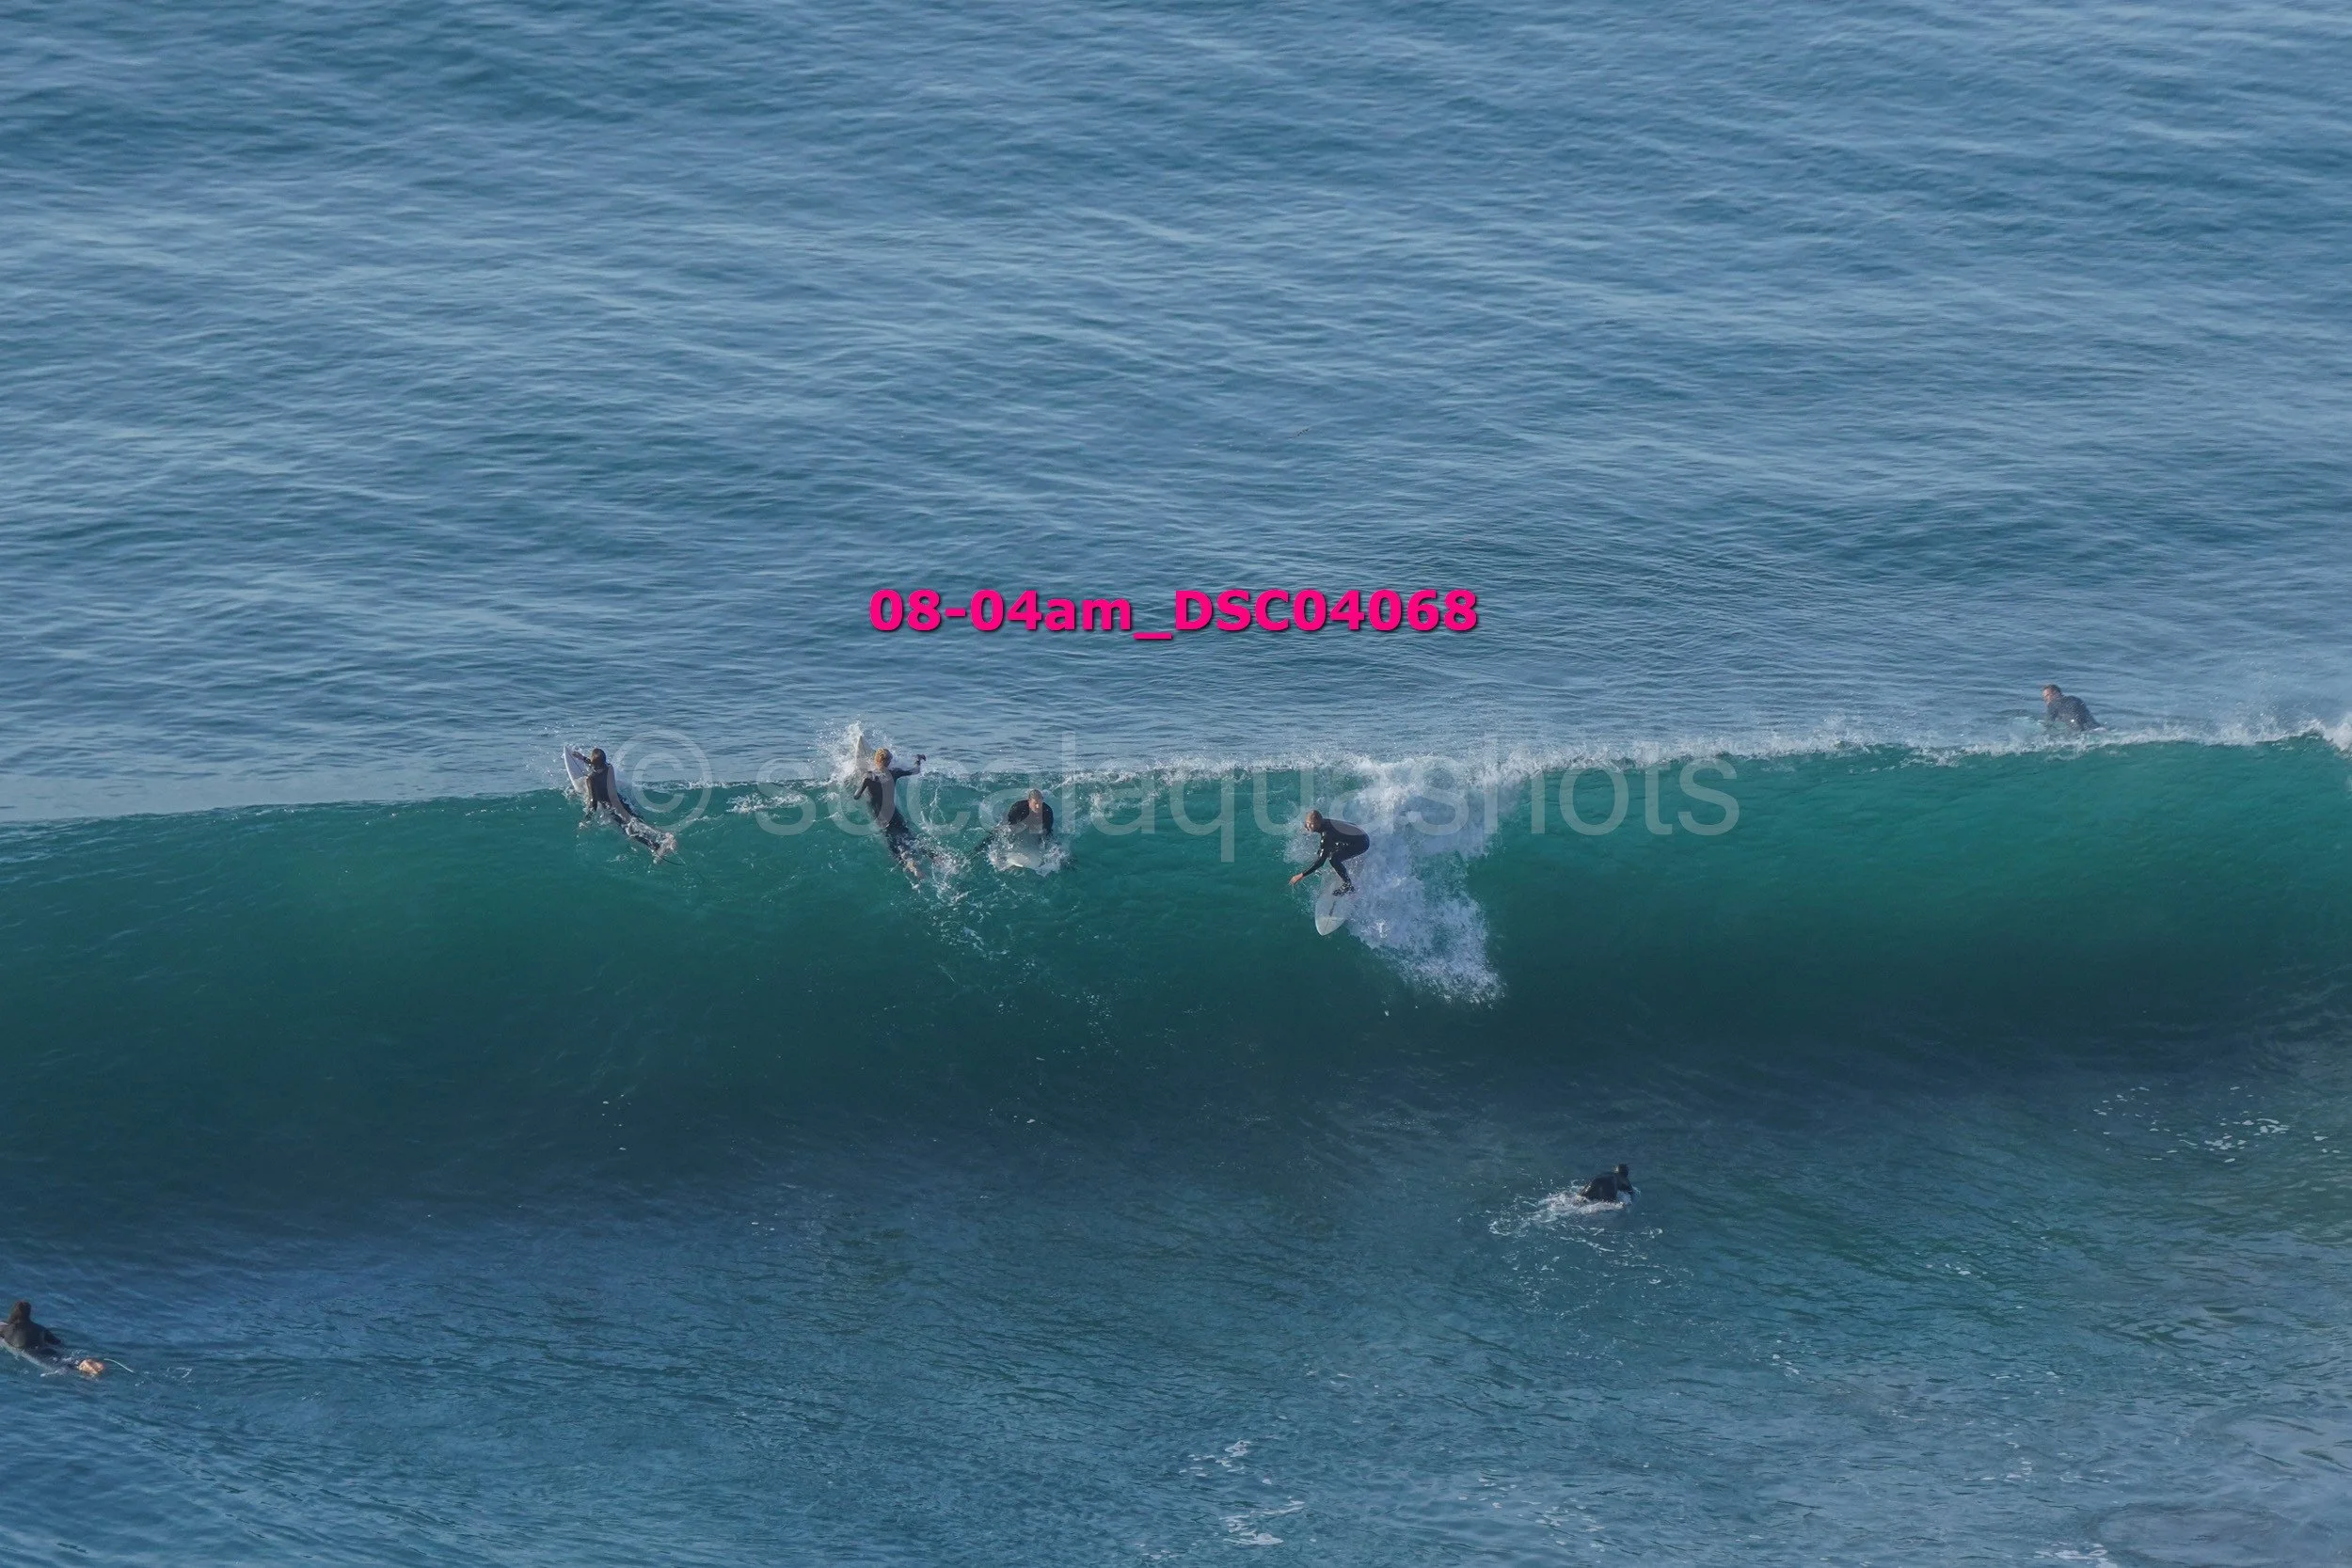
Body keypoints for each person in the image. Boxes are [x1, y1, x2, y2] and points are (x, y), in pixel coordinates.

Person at [857, 747, 928, 877]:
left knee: (895, 848)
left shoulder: (868, 776)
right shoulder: (894, 772)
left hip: (883, 819)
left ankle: (912, 866)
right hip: (895, 814)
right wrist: (918, 759)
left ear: (875, 759)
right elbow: (916, 771)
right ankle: (937, 858)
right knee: (912, 838)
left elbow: (856, 796)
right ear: (889, 762)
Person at [1289, 809, 1371, 894]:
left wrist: (1302, 875)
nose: (1307, 826)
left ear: (1317, 823)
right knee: (1328, 849)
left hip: (1362, 843)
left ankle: (1347, 884)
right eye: (1307, 823)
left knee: (1333, 858)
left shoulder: (1326, 835)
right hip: (1358, 832)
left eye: (1310, 824)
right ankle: (1339, 868)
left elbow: (1321, 862)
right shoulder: (1323, 822)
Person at [570, 747, 640, 825]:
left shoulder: (591, 778)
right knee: (637, 821)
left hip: (609, 806)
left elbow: (593, 802)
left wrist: (587, 820)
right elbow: (599, 763)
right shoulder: (609, 767)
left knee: (628, 828)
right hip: (619, 801)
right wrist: (583, 758)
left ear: (593, 764)